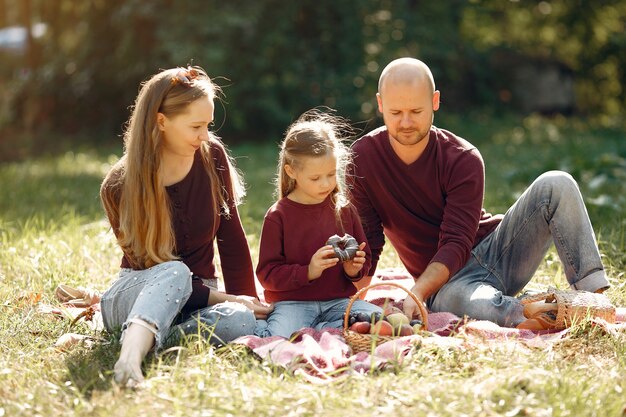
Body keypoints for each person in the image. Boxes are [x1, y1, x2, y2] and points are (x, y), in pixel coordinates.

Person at [348, 57, 610, 329]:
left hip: (498, 251)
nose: (405, 122)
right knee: (453, 302)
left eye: (416, 111)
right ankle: (530, 311)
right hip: (449, 284)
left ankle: (595, 301)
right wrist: (352, 302)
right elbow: (370, 243)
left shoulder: (463, 158)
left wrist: (417, 290)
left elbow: (456, 244)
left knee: (557, 182)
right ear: (380, 105)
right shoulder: (362, 159)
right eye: (395, 112)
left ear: (435, 101)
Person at [99, 66, 272, 386]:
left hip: (199, 300)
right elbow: (158, 274)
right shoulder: (120, 185)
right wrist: (227, 299)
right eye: (196, 126)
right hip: (136, 294)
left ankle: (150, 341)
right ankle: (128, 360)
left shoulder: (211, 157)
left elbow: (231, 242)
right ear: (161, 121)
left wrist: (248, 302)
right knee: (176, 272)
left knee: (242, 322)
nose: (205, 136)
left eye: (207, 125)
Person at [254, 110, 382, 338]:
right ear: (291, 171)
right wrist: (309, 271)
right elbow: (267, 274)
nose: (326, 184)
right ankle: (323, 329)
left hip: (338, 303)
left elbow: (364, 258)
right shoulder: (278, 216)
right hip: (292, 304)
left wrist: (354, 270)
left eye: (331, 175)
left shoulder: (344, 211)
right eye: (315, 178)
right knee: (277, 338)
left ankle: (324, 329)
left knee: (381, 320)